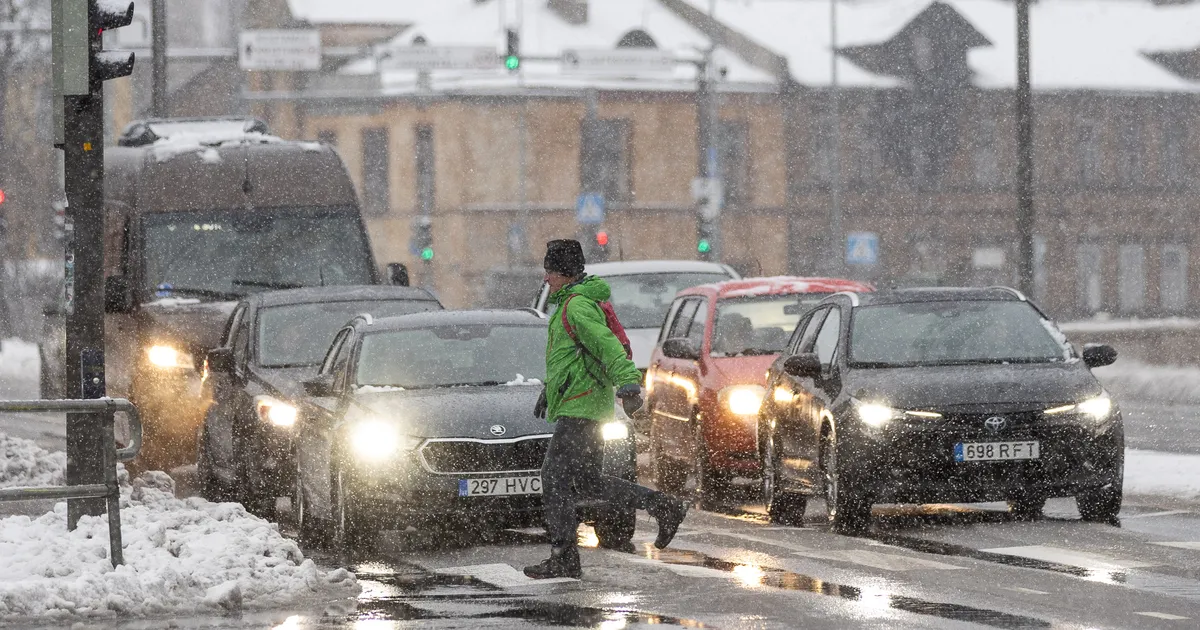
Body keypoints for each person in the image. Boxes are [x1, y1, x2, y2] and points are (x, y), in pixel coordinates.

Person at [524, 239, 688, 580]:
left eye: (550, 271)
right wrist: (548, 390)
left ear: (564, 273)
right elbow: (569, 360)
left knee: (553, 477)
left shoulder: (577, 307)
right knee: (587, 480)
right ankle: (664, 506)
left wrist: (629, 384)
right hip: (580, 402)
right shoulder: (569, 304)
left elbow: (608, 346)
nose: (546, 277)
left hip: (581, 406)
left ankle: (564, 556)